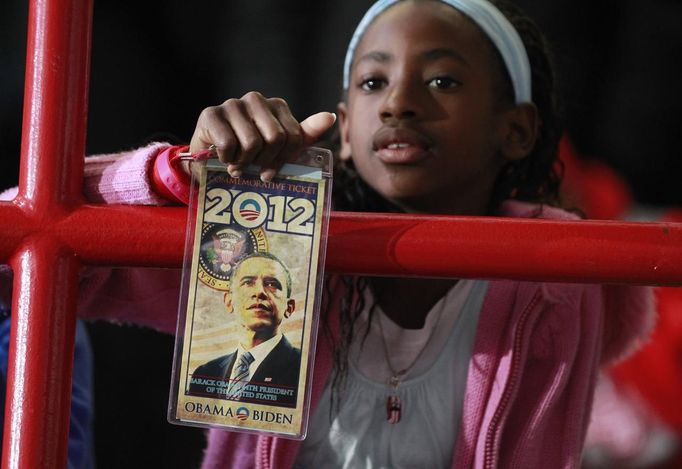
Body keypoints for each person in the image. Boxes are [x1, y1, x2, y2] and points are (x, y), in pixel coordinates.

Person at [71, 0, 654, 467]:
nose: (399, 103)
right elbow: (36, 244)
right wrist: (173, 173)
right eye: (374, 83)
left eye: (444, 81)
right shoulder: (274, 239)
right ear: (345, 130)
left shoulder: (555, 274)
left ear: (518, 130)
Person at [188, 252, 301, 407]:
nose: (259, 292)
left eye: (272, 284)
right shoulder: (205, 373)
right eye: (248, 282)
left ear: (289, 307)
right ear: (229, 302)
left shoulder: (302, 369)